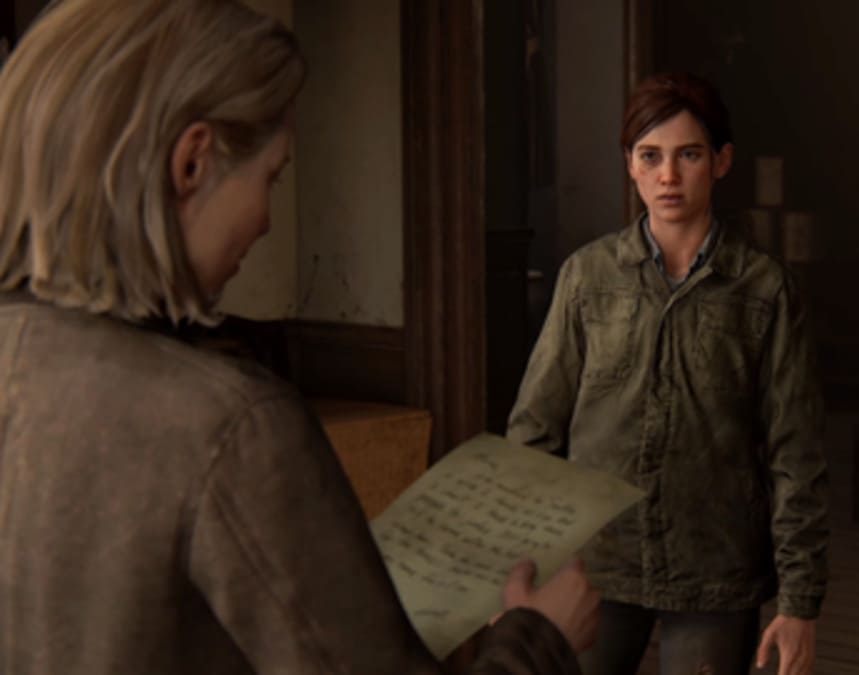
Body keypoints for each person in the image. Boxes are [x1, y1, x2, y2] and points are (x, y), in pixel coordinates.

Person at [0, 1, 596, 673]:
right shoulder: (228, 425)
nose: (264, 222)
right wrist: (539, 638)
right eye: (271, 177)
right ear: (191, 161)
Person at [507, 71, 829, 675]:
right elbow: (535, 431)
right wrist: (519, 567)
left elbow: (796, 454)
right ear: (630, 164)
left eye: (689, 155)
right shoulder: (587, 277)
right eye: (651, 156)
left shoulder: (764, 289)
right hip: (595, 565)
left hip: (715, 570)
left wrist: (799, 601)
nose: (668, 176)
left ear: (722, 161)